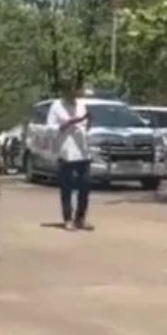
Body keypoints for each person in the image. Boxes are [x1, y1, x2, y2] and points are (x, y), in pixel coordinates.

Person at [47, 77, 94, 231]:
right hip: (66, 151)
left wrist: (88, 123)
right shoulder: (56, 106)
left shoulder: (82, 105)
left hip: (83, 150)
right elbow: (51, 129)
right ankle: (68, 218)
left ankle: (80, 217)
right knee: (67, 187)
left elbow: (86, 124)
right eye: (72, 90)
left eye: (76, 90)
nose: (75, 94)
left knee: (85, 185)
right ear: (65, 91)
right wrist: (69, 122)